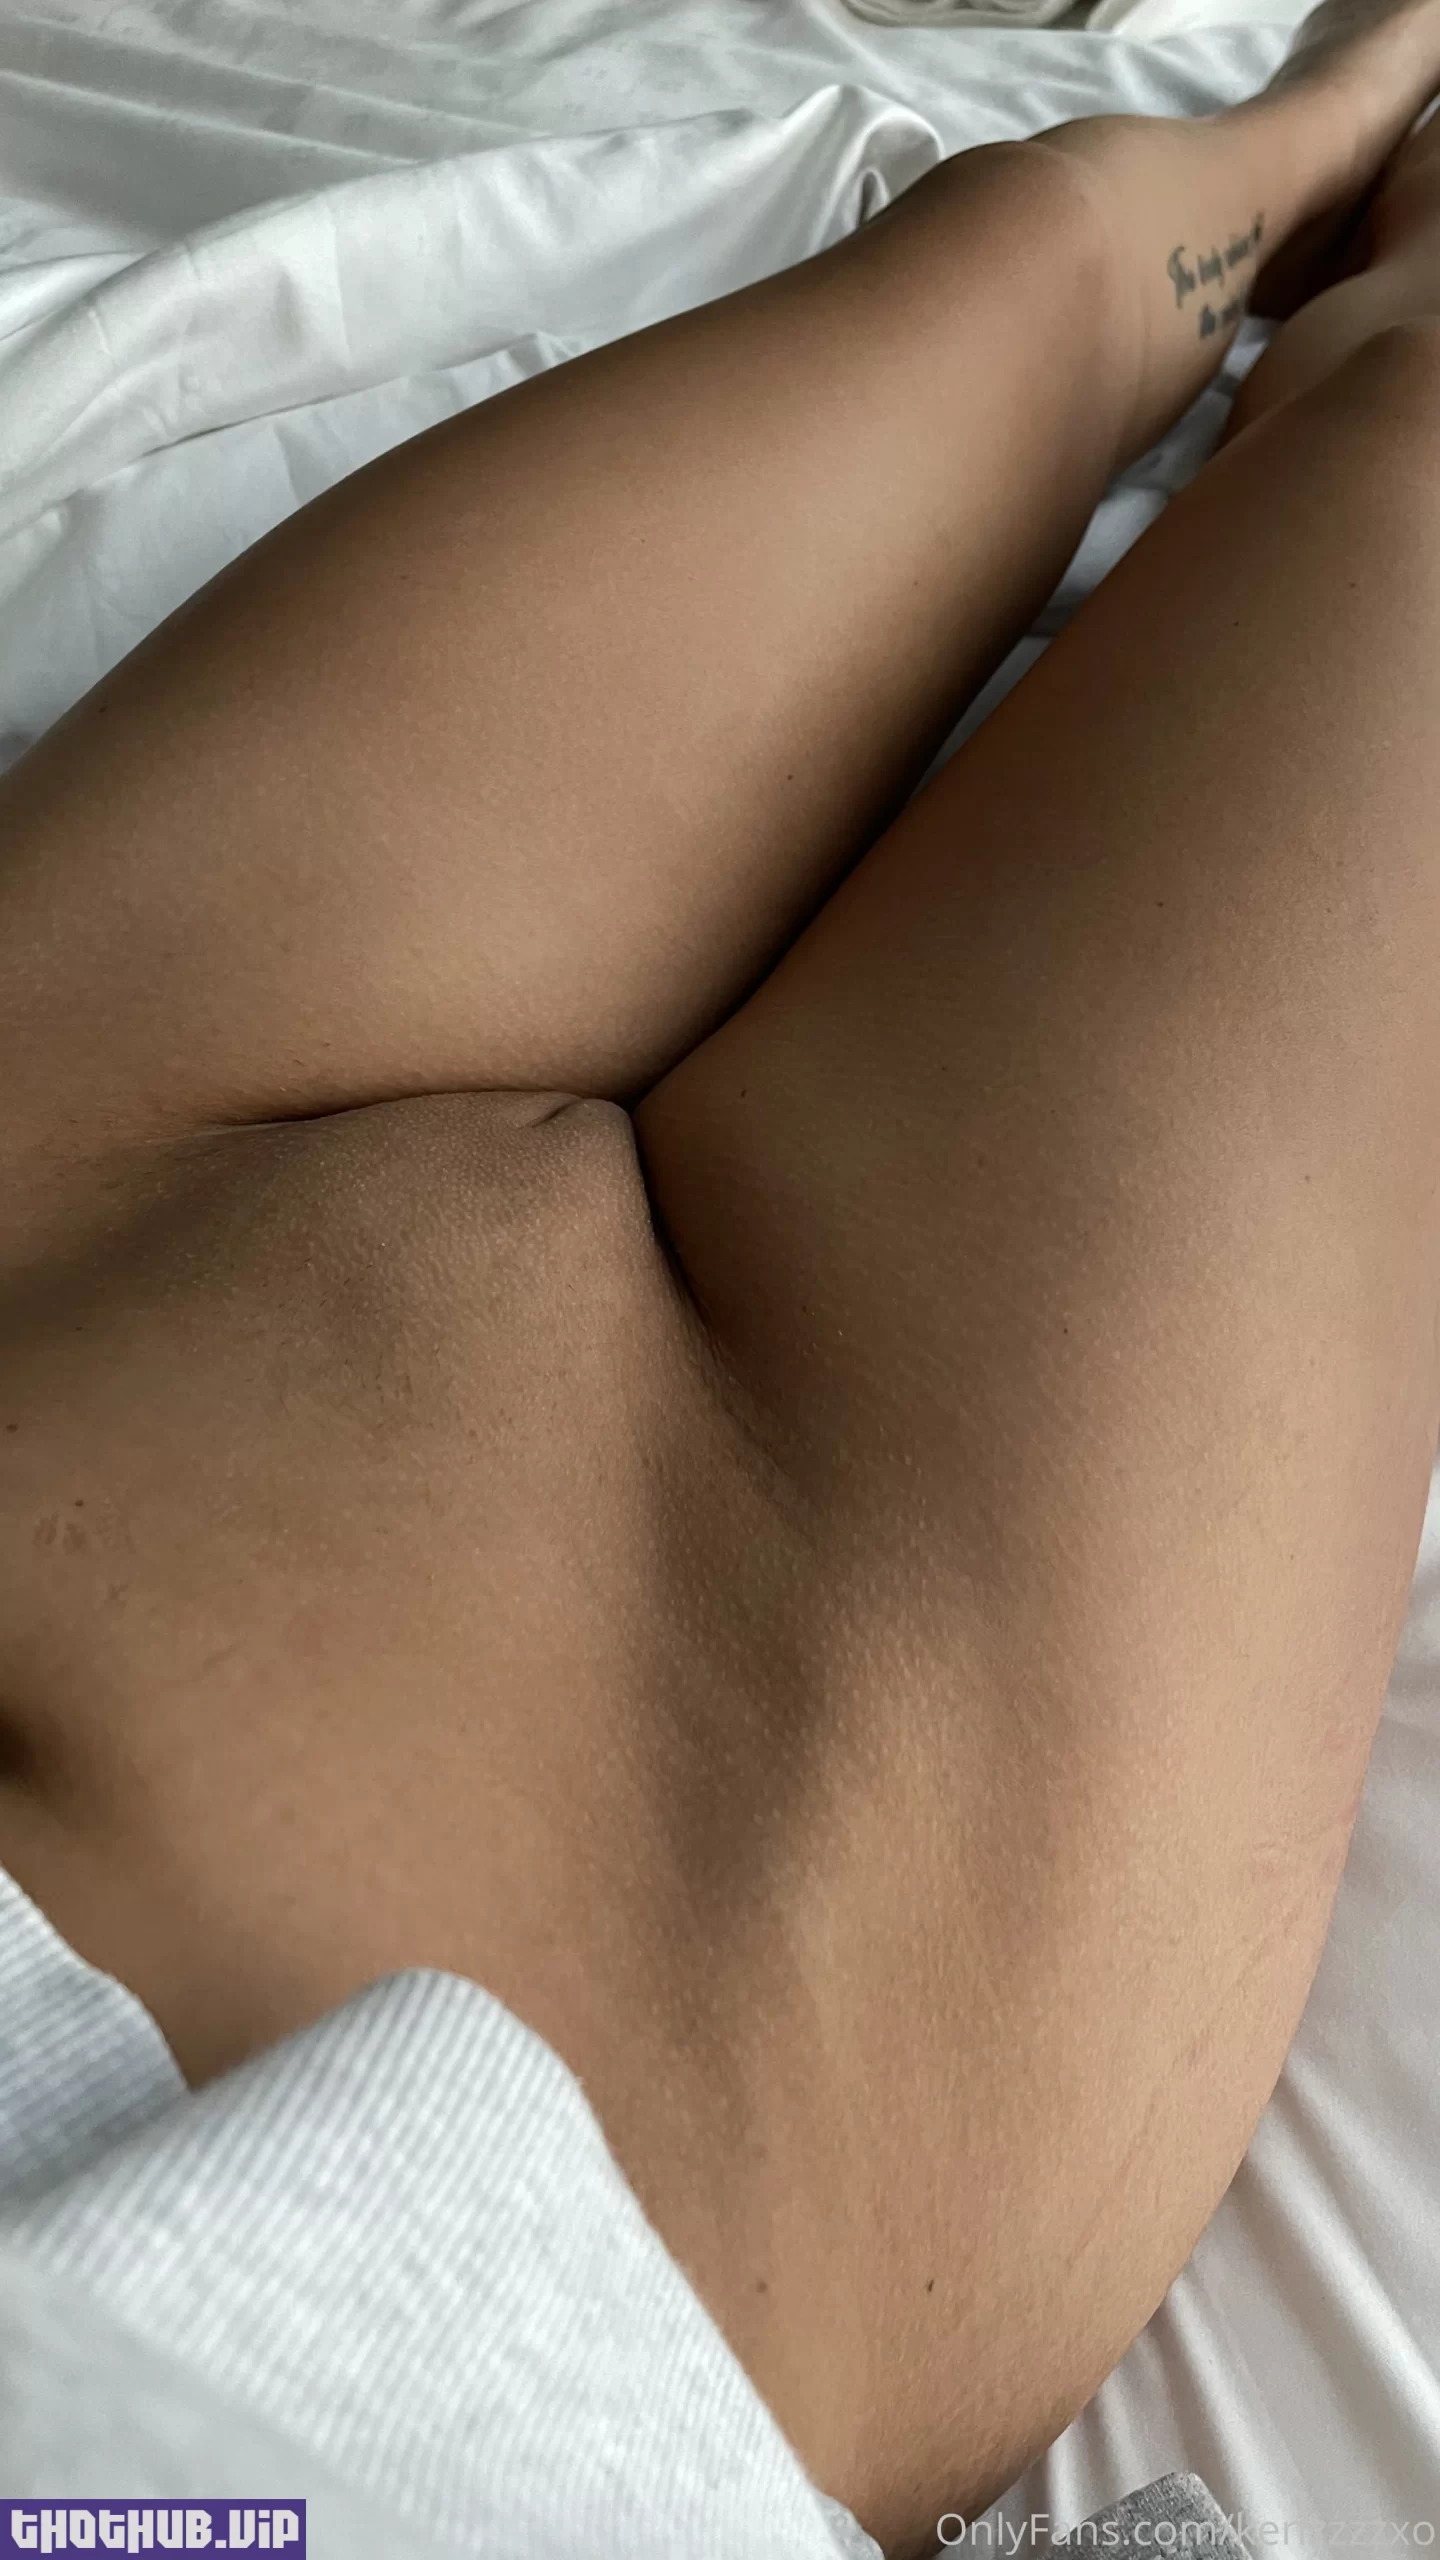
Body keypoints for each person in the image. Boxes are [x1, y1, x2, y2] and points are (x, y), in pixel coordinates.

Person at [3, 5, 1440, 2548]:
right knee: (1406, 444)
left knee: (1021, 262)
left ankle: (1306, 137)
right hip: (760, 1987)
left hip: (74, 1226)